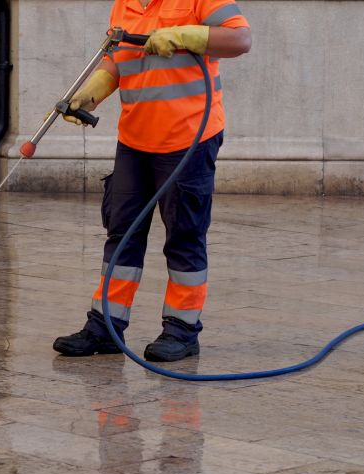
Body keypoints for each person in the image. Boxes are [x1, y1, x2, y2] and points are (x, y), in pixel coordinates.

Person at [53, 0, 251, 361]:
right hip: (134, 139)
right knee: (121, 231)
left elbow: (239, 39)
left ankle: (182, 331)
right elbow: (118, 58)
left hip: (189, 137)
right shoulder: (124, 5)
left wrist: (184, 35)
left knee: (184, 234)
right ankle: (106, 327)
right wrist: (92, 92)